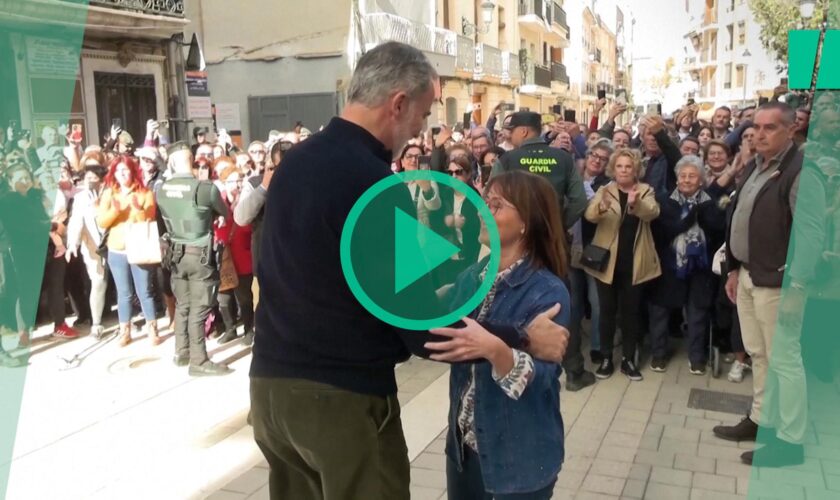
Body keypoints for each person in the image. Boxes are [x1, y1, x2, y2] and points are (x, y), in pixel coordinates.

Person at [249, 41, 569, 500]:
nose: (423, 128)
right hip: (341, 402)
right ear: (398, 104)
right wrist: (520, 336)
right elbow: (424, 326)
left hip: (269, 391)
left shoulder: (295, 161)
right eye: (422, 114)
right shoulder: (375, 186)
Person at [432, 171, 569, 500]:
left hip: (517, 458)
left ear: (526, 221)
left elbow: (543, 379)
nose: (482, 210)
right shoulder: (475, 274)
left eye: (496, 205)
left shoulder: (547, 290)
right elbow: (439, 331)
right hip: (465, 448)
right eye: (484, 201)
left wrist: (498, 350)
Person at [716, 102, 823, 467]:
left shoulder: (800, 171)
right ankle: (762, 419)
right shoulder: (757, 167)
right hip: (748, 274)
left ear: (791, 130)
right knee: (760, 355)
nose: (759, 134)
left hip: (779, 283)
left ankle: (791, 441)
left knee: (785, 360)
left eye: (769, 128)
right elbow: (740, 218)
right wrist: (733, 269)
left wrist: (797, 288)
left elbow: (810, 236)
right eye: (756, 127)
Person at [155, 142, 232, 376]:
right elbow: (225, 212)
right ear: (192, 161)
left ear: (171, 163)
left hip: (176, 254)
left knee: (183, 304)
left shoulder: (161, 190)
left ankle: (182, 351)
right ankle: (198, 360)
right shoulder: (204, 189)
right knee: (200, 308)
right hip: (199, 254)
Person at [584, 148, 661, 381]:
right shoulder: (605, 189)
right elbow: (589, 216)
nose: (624, 170)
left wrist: (637, 204)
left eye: (628, 166)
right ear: (613, 169)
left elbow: (653, 213)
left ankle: (628, 359)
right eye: (620, 166)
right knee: (606, 312)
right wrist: (602, 206)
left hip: (634, 262)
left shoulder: (646, 190)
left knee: (631, 313)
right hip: (607, 263)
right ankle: (606, 358)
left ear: (636, 169)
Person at [648, 156, 726, 373]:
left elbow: (718, 228)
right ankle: (658, 353)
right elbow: (665, 230)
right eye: (683, 175)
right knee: (660, 310)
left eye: (692, 176)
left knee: (697, 311)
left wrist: (702, 211)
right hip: (669, 264)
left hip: (701, 267)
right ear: (676, 178)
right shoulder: (664, 200)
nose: (687, 180)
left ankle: (697, 357)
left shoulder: (710, 201)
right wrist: (691, 216)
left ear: (701, 180)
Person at [96, 155, 159, 346]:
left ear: (133, 171)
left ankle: (152, 329)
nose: (122, 174)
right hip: (117, 249)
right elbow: (101, 222)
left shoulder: (145, 192)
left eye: (126, 170)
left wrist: (138, 209)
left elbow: (149, 218)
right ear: (113, 173)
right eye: (118, 170)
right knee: (124, 293)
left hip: (139, 246)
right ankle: (125, 331)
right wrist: (116, 211)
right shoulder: (109, 193)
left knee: (144, 292)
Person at [494, 111, 587, 232]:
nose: (510, 136)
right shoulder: (564, 158)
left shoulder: (506, 160)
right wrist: (559, 225)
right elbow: (579, 201)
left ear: (523, 131)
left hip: (517, 236)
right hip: (553, 239)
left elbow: (492, 197)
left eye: (512, 131)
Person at [568, 140, 613, 383]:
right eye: (594, 155)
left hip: (595, 251)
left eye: (603, 158)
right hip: (572, 248)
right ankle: (572, 346)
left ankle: (597, 346)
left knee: (597, 303)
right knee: (573, 303)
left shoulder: (607, 185)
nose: (596, 160)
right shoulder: (572, 177)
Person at [65, 163, 109, 339]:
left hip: (115, 242)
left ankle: (126, 322)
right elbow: (76, 221)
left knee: (123, 285)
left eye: (94, 178)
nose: (90, 181)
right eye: (87, 178)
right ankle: (96, 323)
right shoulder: (81, 198)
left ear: (102, 179)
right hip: (92, 245)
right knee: (98, 282)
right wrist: (72, 245)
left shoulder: (110, 193)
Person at [214, 165, 254, 344]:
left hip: (243, 256)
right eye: (231, 181)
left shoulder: (247, 200)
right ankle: (230, 329)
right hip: (224, 256)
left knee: (244, 296)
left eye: (239, 180)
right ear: (223, 183)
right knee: (223, 297)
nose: (236, 185)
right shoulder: (218, 203)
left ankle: (248, 330)